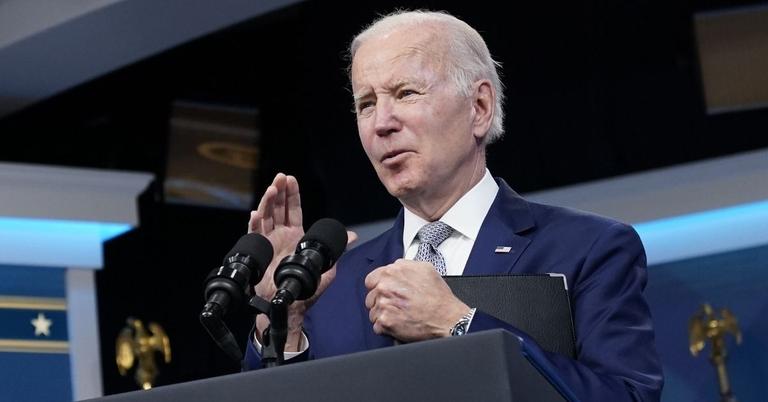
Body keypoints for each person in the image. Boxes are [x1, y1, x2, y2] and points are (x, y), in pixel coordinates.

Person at [244, 10, 663, 401]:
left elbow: (628, 395)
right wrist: (282, 319)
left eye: (406, 93)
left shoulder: (590, 248)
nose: (381, 123)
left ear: (479, 107)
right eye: (366, 104)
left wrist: (459, 324)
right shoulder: (329, 285)